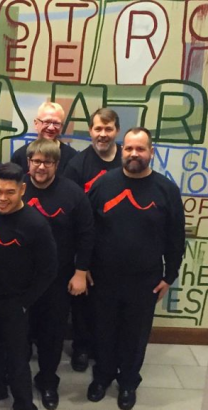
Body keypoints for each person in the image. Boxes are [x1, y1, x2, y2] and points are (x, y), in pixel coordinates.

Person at [86, 127, 185, 410]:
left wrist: (170, 276)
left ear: (151, 152)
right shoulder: (103, 185)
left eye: (140, 149)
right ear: (122, 150)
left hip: (145, 280)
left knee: (135, 334)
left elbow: (175, 236)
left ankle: (128, 382)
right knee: (103, 330)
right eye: (129, 148)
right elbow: (87, 230)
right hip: (103, 277)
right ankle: (102, 376)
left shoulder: (166, 190)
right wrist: (84, 266)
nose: (133, 154)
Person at [0, 163, 57, 410]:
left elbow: (49, 269)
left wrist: (25, 302)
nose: (2, 198)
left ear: (22, 190)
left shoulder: (36, 224)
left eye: (9, 192)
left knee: (17, 358)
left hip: (15, 302)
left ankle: (24, 402)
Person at [22, 139, 95, 409]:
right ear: (28, 162)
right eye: (36, 161)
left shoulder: (73, 193)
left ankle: (47, 380)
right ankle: (18, 379)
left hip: (58, 277)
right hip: (20, 278)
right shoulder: (16, 189)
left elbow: (87, 234)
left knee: (51, 335)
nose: (41, 167)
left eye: (48, 162)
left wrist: (80, 271)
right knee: (19, 332)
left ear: (57, 164)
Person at [63, 107, 122, 371]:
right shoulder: (77, 165)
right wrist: (80, 261)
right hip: (87, 248)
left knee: (111, 303)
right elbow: (70, 212)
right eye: (98, 128)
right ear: (90, 131)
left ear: (116, 131)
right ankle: (82, 348)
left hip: (118, 249)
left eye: (108, 129)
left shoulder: (128, 159)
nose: (103, 134)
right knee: (83, 303)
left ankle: (106, 348)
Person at [11, 102, 77, 175]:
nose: (51, 127)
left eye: (56, 123)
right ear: (36, 124)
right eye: (46, 122)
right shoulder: (19, 156)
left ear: (61, 126)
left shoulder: (72, 158)